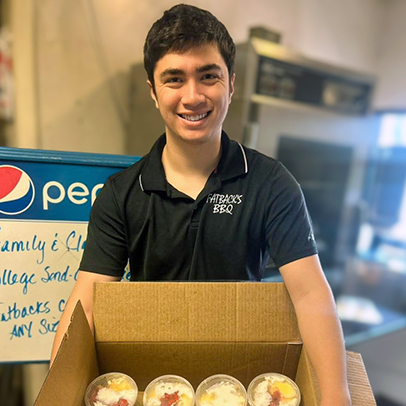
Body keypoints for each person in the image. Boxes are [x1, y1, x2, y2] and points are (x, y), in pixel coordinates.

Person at [50, 4, 351, 405]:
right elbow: (84, 308)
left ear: (231, 85)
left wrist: (337, 397)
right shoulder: (121, 194)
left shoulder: (272, 184)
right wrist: (59, 391)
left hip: (242, 377)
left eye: (208, 76)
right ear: (154, 92)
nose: (192, 96)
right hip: (151, 379)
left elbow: (311, 297)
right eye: (174, 79)